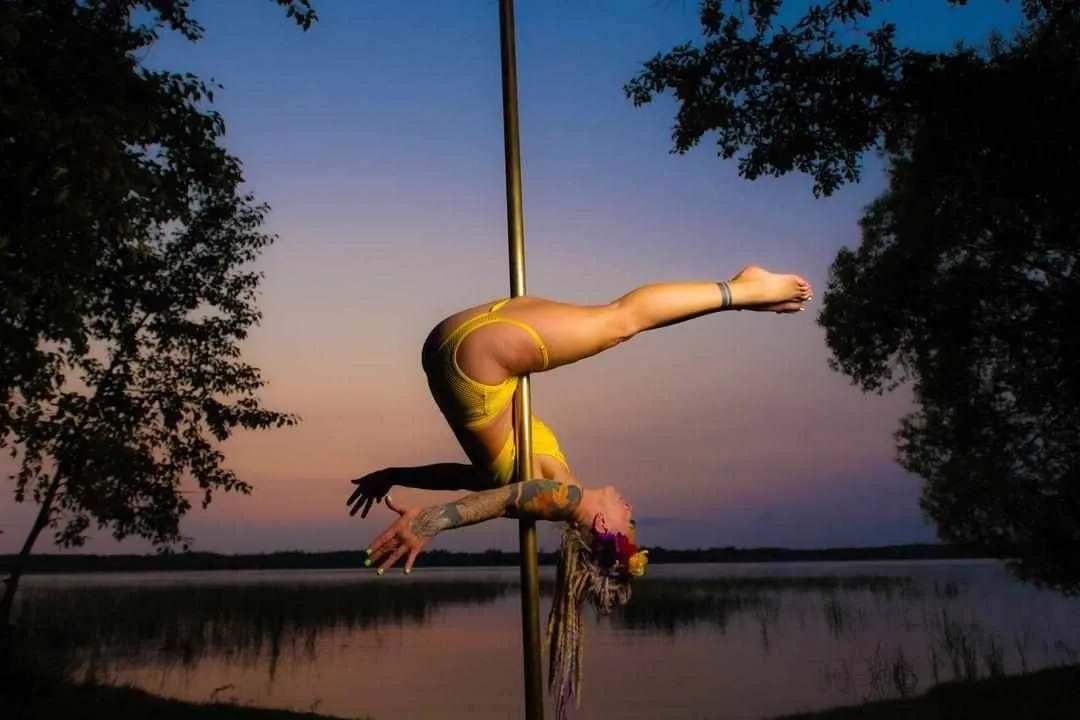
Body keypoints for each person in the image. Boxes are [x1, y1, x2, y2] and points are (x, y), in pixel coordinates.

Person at [348, 265, 812, 716]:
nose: (630, 509)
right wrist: (396, 472)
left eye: (630, 520)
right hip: (458, 358)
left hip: (481, 358)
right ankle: (741, 291)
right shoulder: (549, 485)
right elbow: (472, 476)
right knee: (610, 320)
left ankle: (742, 291)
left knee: (622, 320)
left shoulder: (561, 499)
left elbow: (500, 498)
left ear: (604, 525)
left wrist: (434, 520)